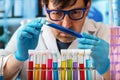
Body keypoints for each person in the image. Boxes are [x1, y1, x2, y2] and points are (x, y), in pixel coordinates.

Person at [1, 0, 110, 80]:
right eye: (57, 13)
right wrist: (18, 57)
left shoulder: (108, 33)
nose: (66, 25)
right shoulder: (27, 31)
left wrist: (107, 69)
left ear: (87, 7)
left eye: (75, 12)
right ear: (44, 7)